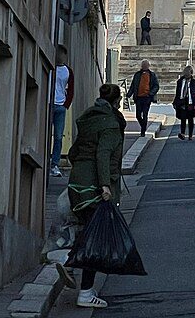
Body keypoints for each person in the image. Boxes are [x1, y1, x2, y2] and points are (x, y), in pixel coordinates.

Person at [62, 82, 126, 309]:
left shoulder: (89, 118)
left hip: (77, 183)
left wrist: (81, 170)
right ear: (117, 101)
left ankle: (68, 262)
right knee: (95, 240)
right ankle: (86, 292)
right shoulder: (110, 124)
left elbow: (73, 153)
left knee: (86, 230)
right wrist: (105, 186)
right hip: (94, 188)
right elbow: (103, 155)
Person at [51, 46, 75, 178]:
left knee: (59, 137)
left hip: (60, 106)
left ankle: (54, 164)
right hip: (49, 104)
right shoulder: (50, 66)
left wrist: (66, 104)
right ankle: (48, 161)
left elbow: (71, 89)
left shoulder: (68, 71)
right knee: (46, 135)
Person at [125, 60, 159, 136]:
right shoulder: (137, 75)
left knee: (145, 114)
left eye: (146, 65)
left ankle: (143, 131)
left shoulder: (152, 75)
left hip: (147, 98)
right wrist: (129, 94)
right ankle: (143, 126)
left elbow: (156, 86)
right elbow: (133, 85)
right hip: (138, 97)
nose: (144, 66)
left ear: (148, 66)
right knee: (138, 115)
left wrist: (150, 93)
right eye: (143, 65)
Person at [172, 64, 195, 140]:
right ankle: (182, 133)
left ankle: (190, 135)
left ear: (191, 74)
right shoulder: (180, 82)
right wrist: (175, 102)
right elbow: (178, 93)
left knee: (190, 119)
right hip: (182, 102)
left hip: (191, 102)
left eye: (188, 74)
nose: (186, 76)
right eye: (185, 75)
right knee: (183, 118)